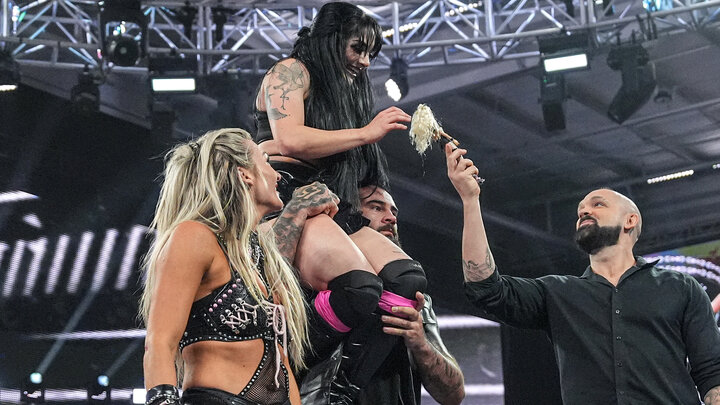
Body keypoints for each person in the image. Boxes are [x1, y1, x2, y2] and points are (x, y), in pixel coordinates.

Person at [444, 142, 720, 404]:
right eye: (580, 210)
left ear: (630, 220)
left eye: (598, 204)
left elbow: (712, 373)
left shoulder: (680, 288)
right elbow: (487, 289)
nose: (585, 211)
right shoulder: (558, 293)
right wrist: (470, 200)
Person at [254, 2, 425, 402]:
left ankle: (343, 389)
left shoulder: (346, 94)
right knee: (359, 289)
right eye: (357, 48)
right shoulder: (290, 71)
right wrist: (366, 132)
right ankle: (285, 368)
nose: (364, 61)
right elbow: (290, 139)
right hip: (287, 192)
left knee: (406, 280)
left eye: (371, 53)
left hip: (330, 197)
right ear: (331, 41)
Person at [140, 128, 338, 405]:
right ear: (245, 174)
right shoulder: (195, 236)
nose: (277, 175)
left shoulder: (260, 254)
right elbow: (159, 342)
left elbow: (280, 359)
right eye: (265, 161)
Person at [300, 185, 465, 404]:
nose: (391, 218)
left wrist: (420, 344)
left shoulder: (418, 303)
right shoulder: (313, 285)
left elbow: (453, 395)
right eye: (376, 208)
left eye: (394, 212)